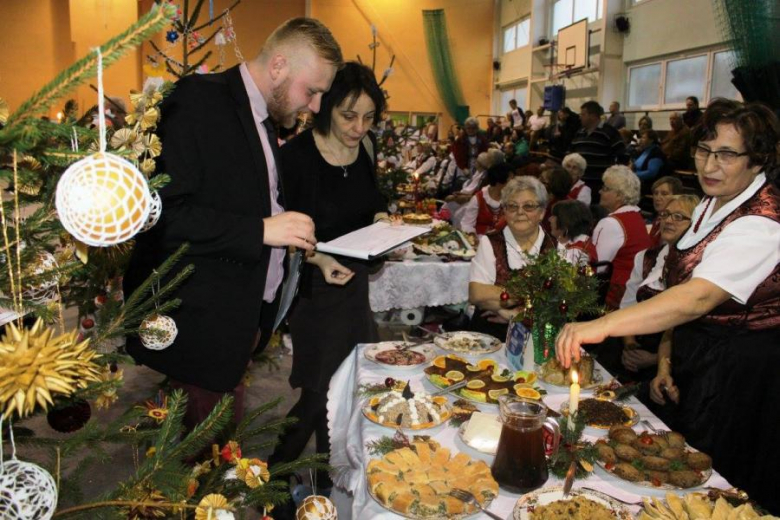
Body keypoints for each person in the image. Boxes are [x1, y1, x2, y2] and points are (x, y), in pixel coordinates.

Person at [555, 98, 780, 514]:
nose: (710, 165)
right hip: (702, 356)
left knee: (722, 488)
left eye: (727, 154)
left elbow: (697, 297)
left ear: (758, 160)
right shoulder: (713, 204)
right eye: (704, 150)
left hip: (744, 375)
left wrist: (600, 325)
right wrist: (666, 363)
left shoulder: (762, 222)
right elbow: (677, 290)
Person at [123, 18, 341, 430]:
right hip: (202, 331)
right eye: (312, 91)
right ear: (278, 66)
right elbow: (160, 216)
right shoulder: (197, 102)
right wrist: (261, 230)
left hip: (239, 325)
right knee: (198, 463)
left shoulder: (261, 118)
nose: (314, 106)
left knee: (217, 452)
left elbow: (245, 201)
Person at [269, 61, 387, 495]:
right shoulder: (295, 156)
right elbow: (281, 225)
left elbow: (373, 200)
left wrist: (383, 218)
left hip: (354, 285)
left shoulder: (367, 149)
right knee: (320, 391)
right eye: (348, 116)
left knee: (347, 384)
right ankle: (279, 473)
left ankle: (318, 481)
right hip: (313, 286)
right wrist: (318, 260)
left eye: (369, 117)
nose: (359, 127)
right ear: (325, 108)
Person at [619, 194, 700, 382]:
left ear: (696, 224)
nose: (668, 221)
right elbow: (628, 306)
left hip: (678, 359)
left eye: (678, 217)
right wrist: (630, 346)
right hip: (636, 342)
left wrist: (655, 360)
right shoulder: (646, 257)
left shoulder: (701, 268)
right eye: (665, 214)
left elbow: (690, 331)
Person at [469, 176, 557, 338]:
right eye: (512, 206)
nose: (520, 212)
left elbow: (558, 306)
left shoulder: (557, 249)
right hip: (490, 333)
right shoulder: (490, 242)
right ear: (505, 211)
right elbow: (476, 294)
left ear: (542, 213)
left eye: (529, 206)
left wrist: (512, 314)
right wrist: (530, 298)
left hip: (537, 337)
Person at [592, 165, 652, 309]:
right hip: (632, 293)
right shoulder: (636, 218)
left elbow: (596, 268)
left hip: (613, 298)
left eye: (606, 188)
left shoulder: (611, 223)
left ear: (619, 195)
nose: (600, 191)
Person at [569, 101, 627, 198]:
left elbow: (623, 156)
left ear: (593, 115)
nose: (580, 117)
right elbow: (571, 154)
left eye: (583, 114)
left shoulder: (609, 132)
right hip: (580, 185)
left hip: (599, 185)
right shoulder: (579, 133)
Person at [460, 163, 510, 235]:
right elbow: (467, 225)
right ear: (499, 182)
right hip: (480, 239)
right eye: (510, 180)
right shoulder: (478, 198)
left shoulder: (512, 198)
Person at [550, 199, 596, 265]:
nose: (550, 219)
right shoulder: (582, 242)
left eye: (554, 216)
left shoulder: (577, 252)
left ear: (565, 222)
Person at [647, 176, 684, 247]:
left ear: (676, 197)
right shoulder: (659, 217)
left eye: (664, 194)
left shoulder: (675, 223)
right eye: (655, 193)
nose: (658, 198)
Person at [540, 166, 573, 233]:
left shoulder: (563, 209)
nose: (537, 182)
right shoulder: (543, 201)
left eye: (542, 180)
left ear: (552, 185)